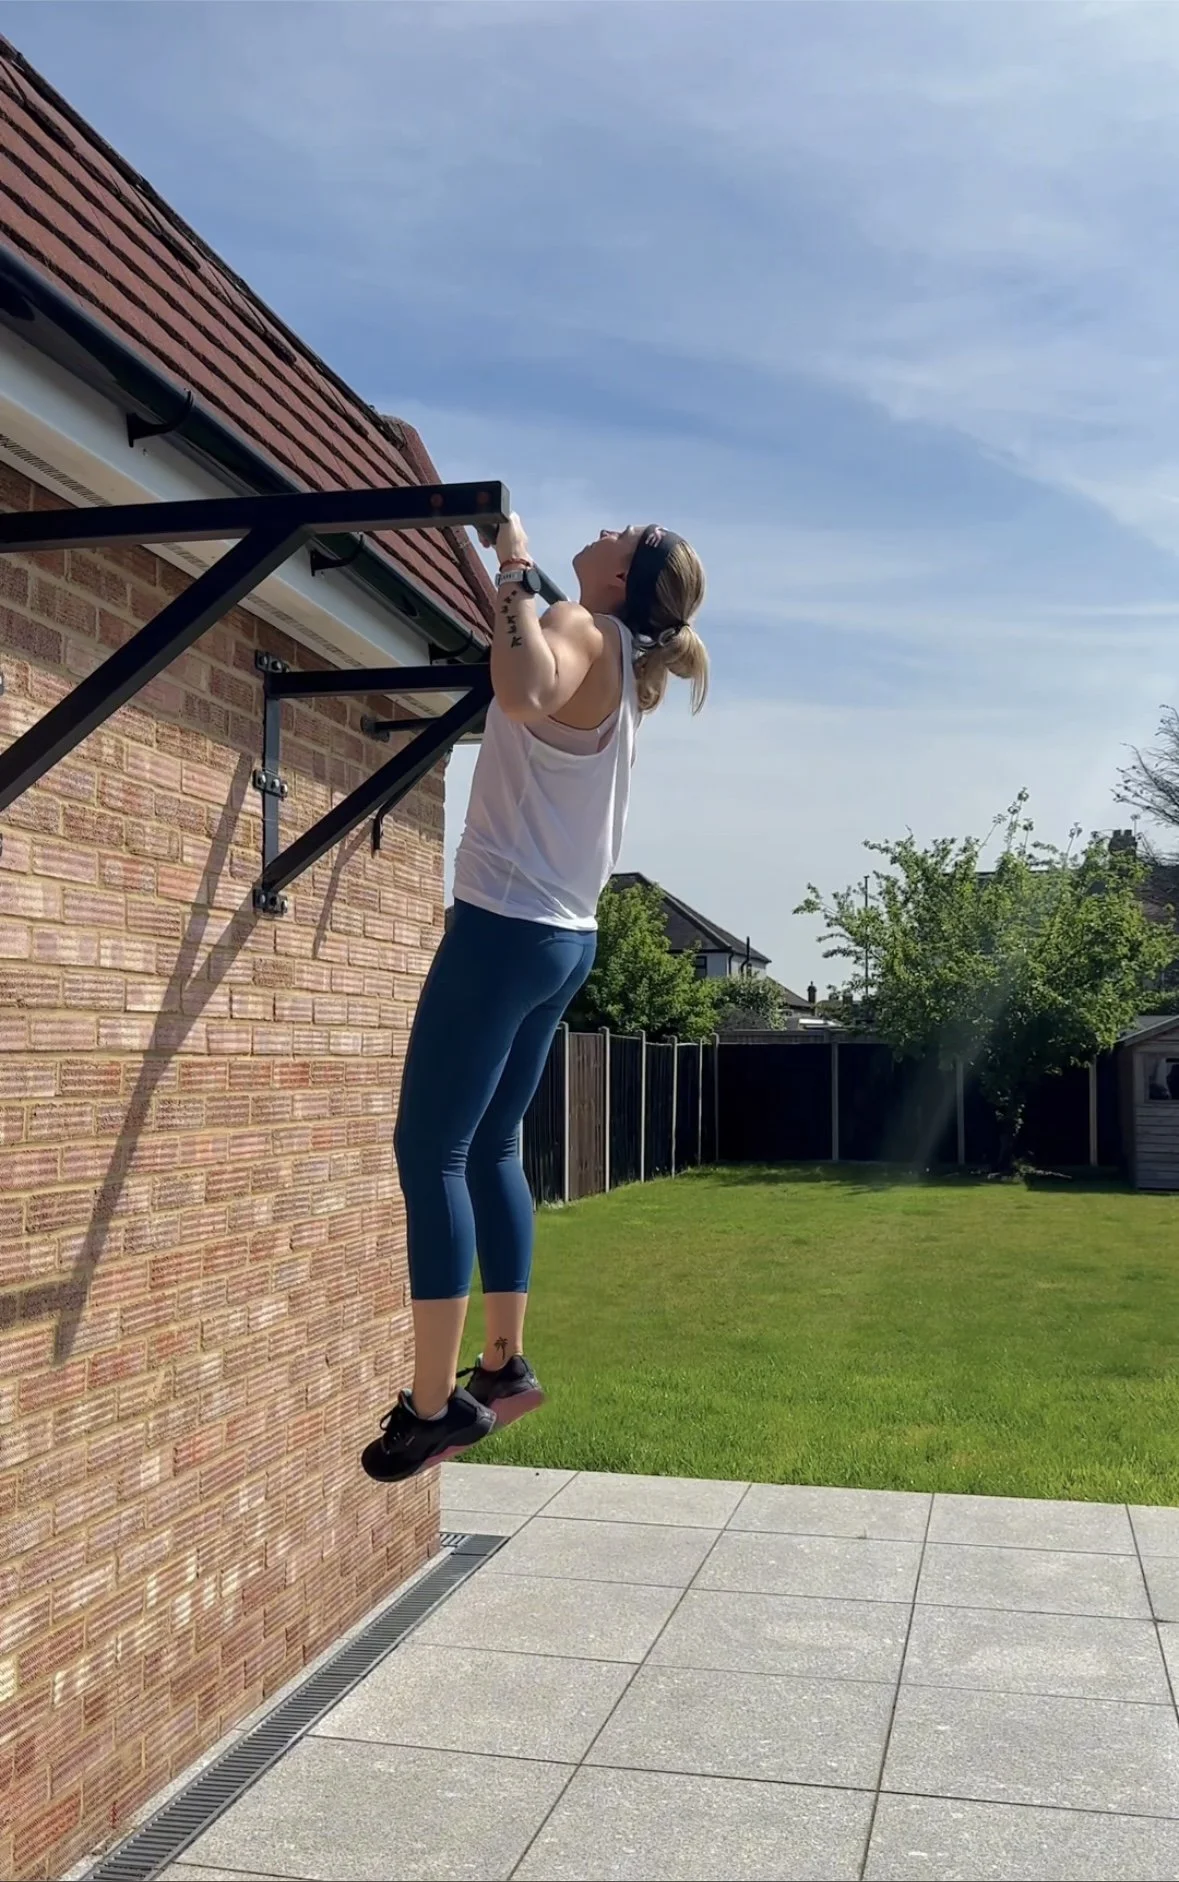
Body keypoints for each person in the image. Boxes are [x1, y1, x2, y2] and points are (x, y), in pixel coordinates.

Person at [361, 515, 709, 1482]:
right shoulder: (624, 658)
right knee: (493, 1146)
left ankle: (433, 1407)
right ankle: (505, 1366)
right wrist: (516, 578)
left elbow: (518, 689)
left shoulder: (581, 628)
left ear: (623, 576)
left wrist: (512, 561)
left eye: (623, 530)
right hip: (564, 938)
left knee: (429, 1150)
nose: (601, 527)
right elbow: (532, 665)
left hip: (505, 927)